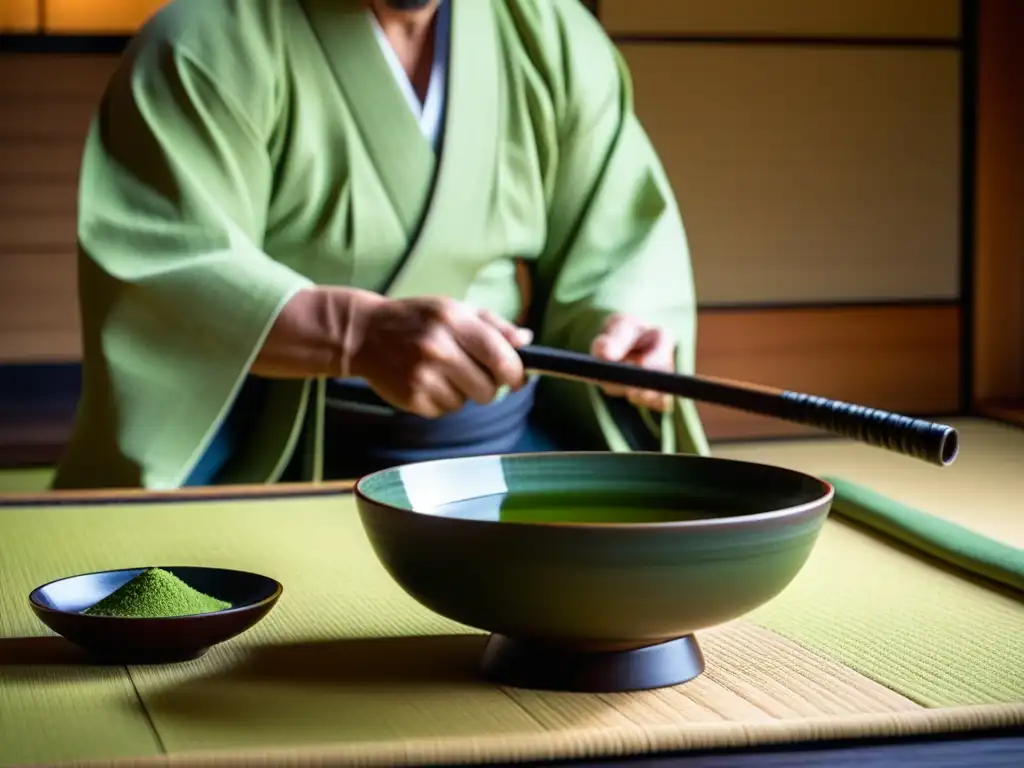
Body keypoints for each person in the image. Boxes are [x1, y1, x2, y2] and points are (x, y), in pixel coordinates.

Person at [51, 0, 710, 490]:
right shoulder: (206, 40)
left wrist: (623, 330)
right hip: (279, 461)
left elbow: (622, 233)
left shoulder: (551, 34)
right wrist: (353, 336)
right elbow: (165, 264)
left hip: (507, 455)